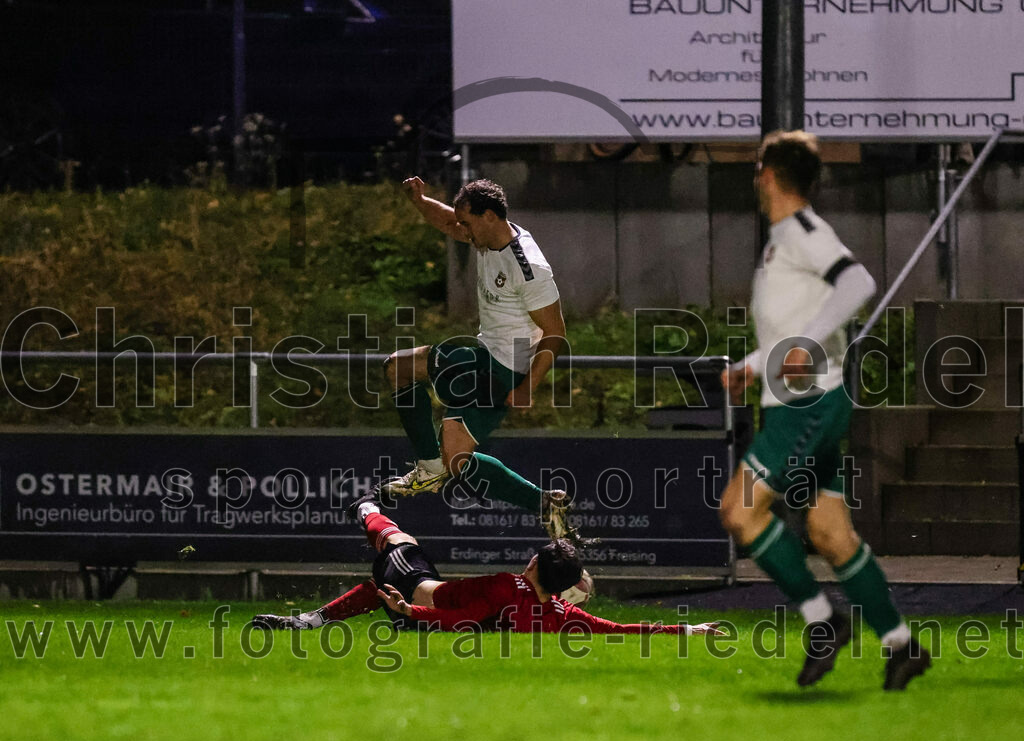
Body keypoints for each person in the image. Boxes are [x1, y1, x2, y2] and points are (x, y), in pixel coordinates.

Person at [718, 130, 930, 691]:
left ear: (768, 175)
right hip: (803, 403)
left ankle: (823, 621)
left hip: (807, 407)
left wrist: (805, 345)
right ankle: (902, 646)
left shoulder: (803, 232)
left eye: (758, 168)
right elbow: (790, 330)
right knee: (832, 534)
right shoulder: (782, 240)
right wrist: (752, 365)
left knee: (739, 511)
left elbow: (858, 282)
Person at [382, 176, 576, 541]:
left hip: (502, 369)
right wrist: (420, 201)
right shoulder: (487, 238)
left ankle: (429, 468)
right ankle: (545, 503)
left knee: (399, 367)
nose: (463, 231)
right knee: (456, 460)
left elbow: (555, 332)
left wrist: (529, 387)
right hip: (486, 357)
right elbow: (448, 222)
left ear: (488, 216)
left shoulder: (529, 267)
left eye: (468, 223)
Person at [253, 494, 722, 637]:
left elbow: (461, 617)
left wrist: (409, 611)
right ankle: (310, 620)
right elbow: (616, 628)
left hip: (416, 598)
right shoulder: (557, 616)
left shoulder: (505, 585)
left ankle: (364, 507)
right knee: (381, 582)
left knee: (398, 542)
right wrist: (684, 629)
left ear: (534, 563)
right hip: (420, 613)